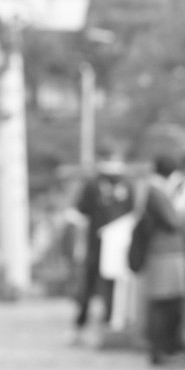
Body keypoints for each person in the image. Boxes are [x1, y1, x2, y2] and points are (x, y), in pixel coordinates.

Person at [131, 153, 185, 366]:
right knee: (162, 303)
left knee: (163, 302)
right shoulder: (156, 191)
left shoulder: (150, 188)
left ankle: (161, 349)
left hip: (161, 252)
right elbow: (173, 221)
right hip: (164, 252)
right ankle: (159, 350)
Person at [71, 146, 132, 343]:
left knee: (101, 286)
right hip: (106, 245)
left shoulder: (115, 184)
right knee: (99, 285)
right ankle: (93, 324)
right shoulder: (103, 184)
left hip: (109, 245)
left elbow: (81, 213)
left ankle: (99, 326)